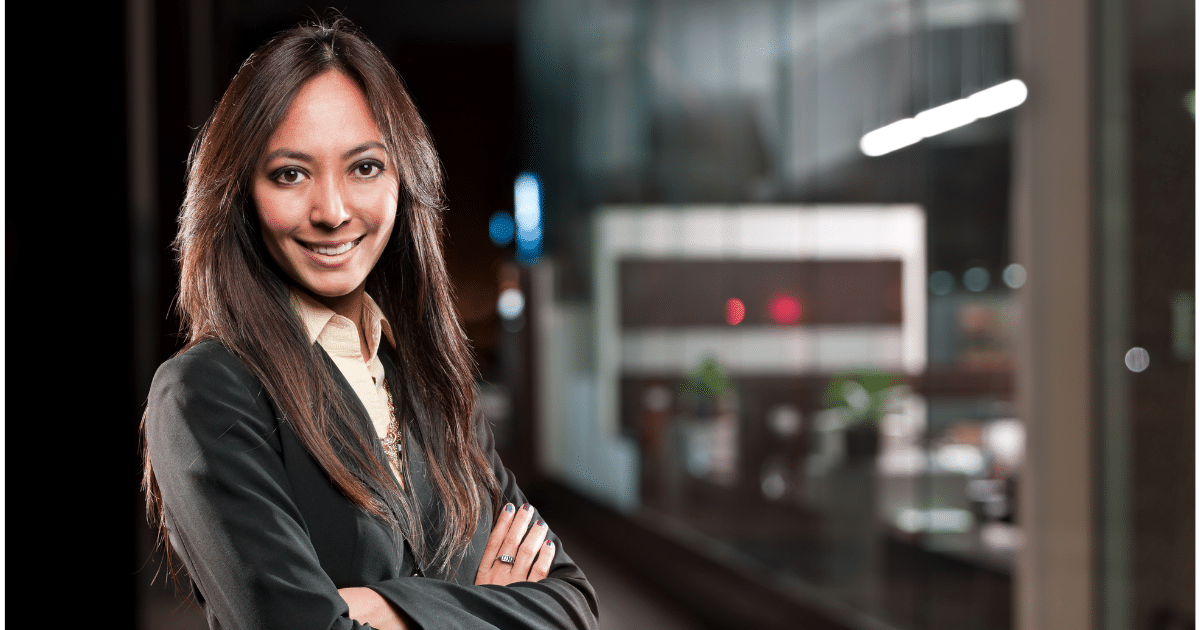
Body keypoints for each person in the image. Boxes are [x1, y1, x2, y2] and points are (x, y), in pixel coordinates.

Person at [141, 17, 598, 630]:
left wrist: (377, 606)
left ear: (403, 178)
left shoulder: (433, 387)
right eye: (290, 174)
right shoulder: (206, 393)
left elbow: (570, 603)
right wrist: (490, 608)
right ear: (240, 193)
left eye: (364, 168)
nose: (332, 211)